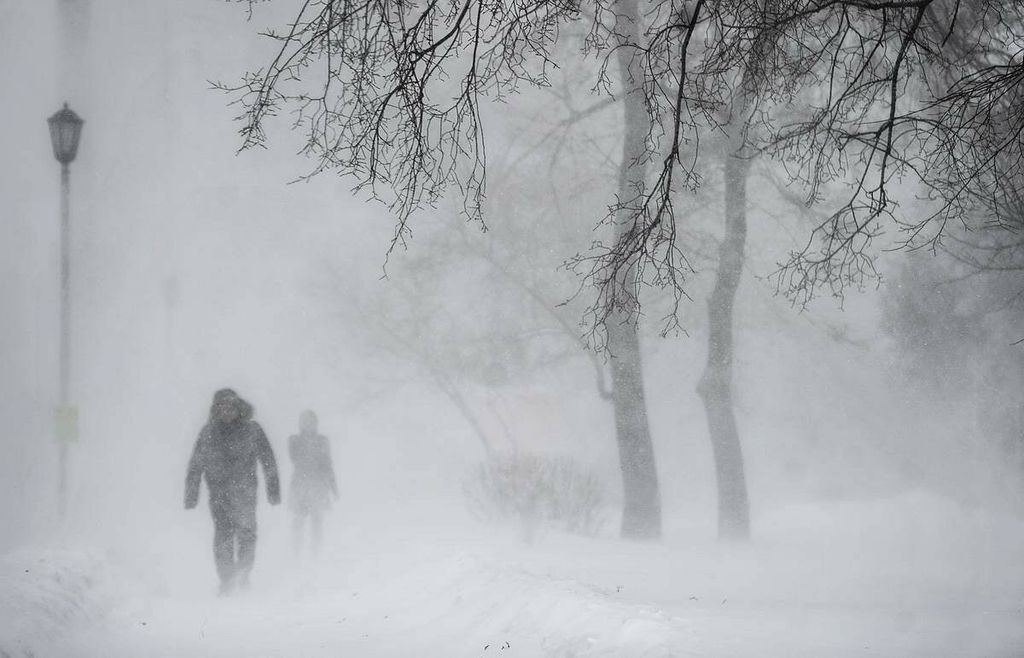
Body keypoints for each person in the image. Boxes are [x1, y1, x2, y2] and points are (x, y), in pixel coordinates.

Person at [185, 388, 280, 595]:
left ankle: (243, 575)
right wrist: (191, 495)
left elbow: (268, 460)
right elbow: (195, 464)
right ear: (216, 410)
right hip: (219, 494)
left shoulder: (253, 430)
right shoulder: (208, 432)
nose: (226, 411)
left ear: (238, 408)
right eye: (222, 407)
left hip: (245, 493)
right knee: (223, 536)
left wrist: (273, 490)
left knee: (246, 534)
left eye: (230, 406)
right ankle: (227, 580)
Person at [288, 410, 338, 555]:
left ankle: (316, 554)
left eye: (311, 421)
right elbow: (295, 458)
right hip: (300, 485)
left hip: (318, 485)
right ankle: (295, 554)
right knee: (299, 521)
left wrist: (333, 486)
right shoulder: (294, 440)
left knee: (317, 522)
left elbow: (328, 464)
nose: (308, 424)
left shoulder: (323, 441)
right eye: (305, 421)